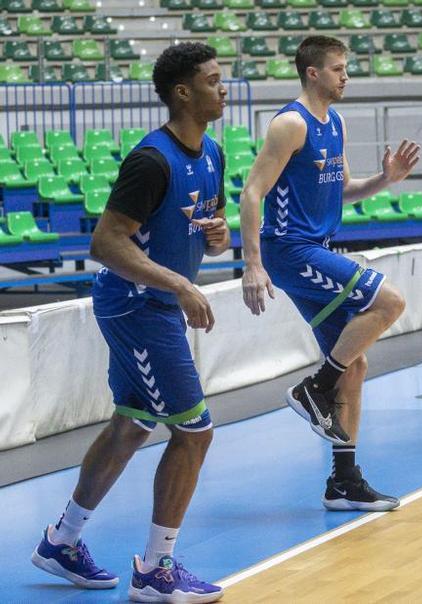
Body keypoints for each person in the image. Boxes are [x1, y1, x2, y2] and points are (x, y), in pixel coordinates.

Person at [32, 42, 227, 602]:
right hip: (137, 306)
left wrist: (217, 238)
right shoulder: (152, 160)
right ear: (183, 92)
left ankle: (61, 542)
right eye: (213, 81)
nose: (223, 88)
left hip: (156, 304)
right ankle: (156, 570)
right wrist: (182, 284)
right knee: (194, 430)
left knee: (133, 424)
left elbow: (202, 230)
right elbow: (106, 242)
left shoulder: (210, 153)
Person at [239, 36, 418, 511]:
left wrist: (386, 181)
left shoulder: (334, 122)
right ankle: (313, 387)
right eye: (338, 69)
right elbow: (252, 193)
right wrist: (252, 264)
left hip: (314, 248)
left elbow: (341, 190)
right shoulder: (290, 124)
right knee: (390, 301)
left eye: (346, 68)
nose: (346, 76)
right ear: (313, 73)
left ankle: (343, 481)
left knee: (355, 362)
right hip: (290, 252)